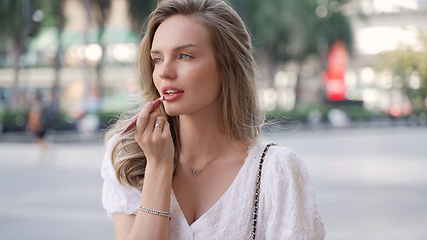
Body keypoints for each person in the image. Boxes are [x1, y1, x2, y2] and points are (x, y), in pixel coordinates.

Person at [101, 0, 326, 239]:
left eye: (184, 56)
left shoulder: (276, 171)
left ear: (227, 67)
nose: (165, 71)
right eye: (157, 59)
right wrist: (158, 166)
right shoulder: (130, 160)